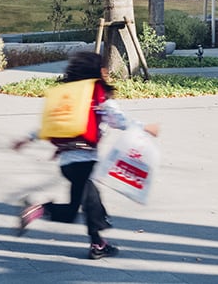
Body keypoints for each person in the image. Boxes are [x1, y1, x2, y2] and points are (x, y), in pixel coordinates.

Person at [12, 49, 160, 260]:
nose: (107, 71)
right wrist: (145, 127)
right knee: (92, 205)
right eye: (103, 67)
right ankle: (98, 244)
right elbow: (118, 119)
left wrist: (27, 138)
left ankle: (38, 210)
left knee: (75, 209)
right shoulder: (98, 96)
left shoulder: (70, 96)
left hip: (67, 163)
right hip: (85, 161)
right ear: (97, 71)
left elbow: (48, 125)